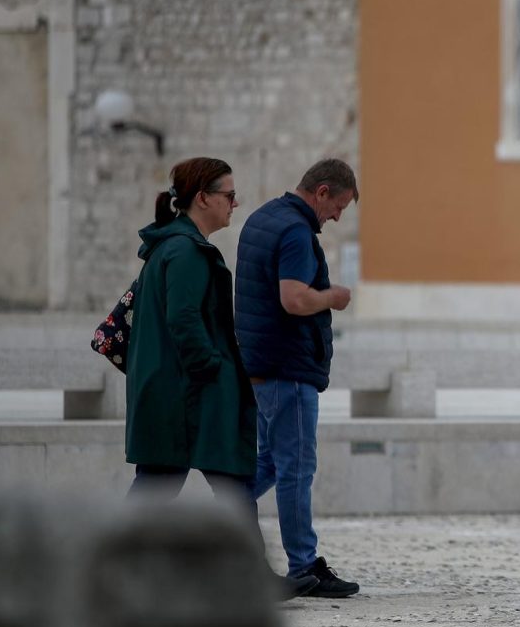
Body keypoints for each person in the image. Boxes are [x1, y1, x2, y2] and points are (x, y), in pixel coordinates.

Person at [125, 157, 318, 600]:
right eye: (229, 195)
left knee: (220, 483)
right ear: (203, 198)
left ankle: (249, 575)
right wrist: (213, 369)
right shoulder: (185, 252)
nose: (235, 203)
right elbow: (184, 320)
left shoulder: (174, 247)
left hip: (180, 394)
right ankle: (113, 564)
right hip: (188, 395)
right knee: (172, 485)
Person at [234, 158, 360, 598]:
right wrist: (333, 297)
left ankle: (227, 501)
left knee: (270, 461)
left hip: (261, 366)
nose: (337, 217)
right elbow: (294, 299)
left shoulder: (262, 218)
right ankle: (304, 565)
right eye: (338, 206)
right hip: (288, 369)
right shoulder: (294, 231)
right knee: (296, 468)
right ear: (321, 192)